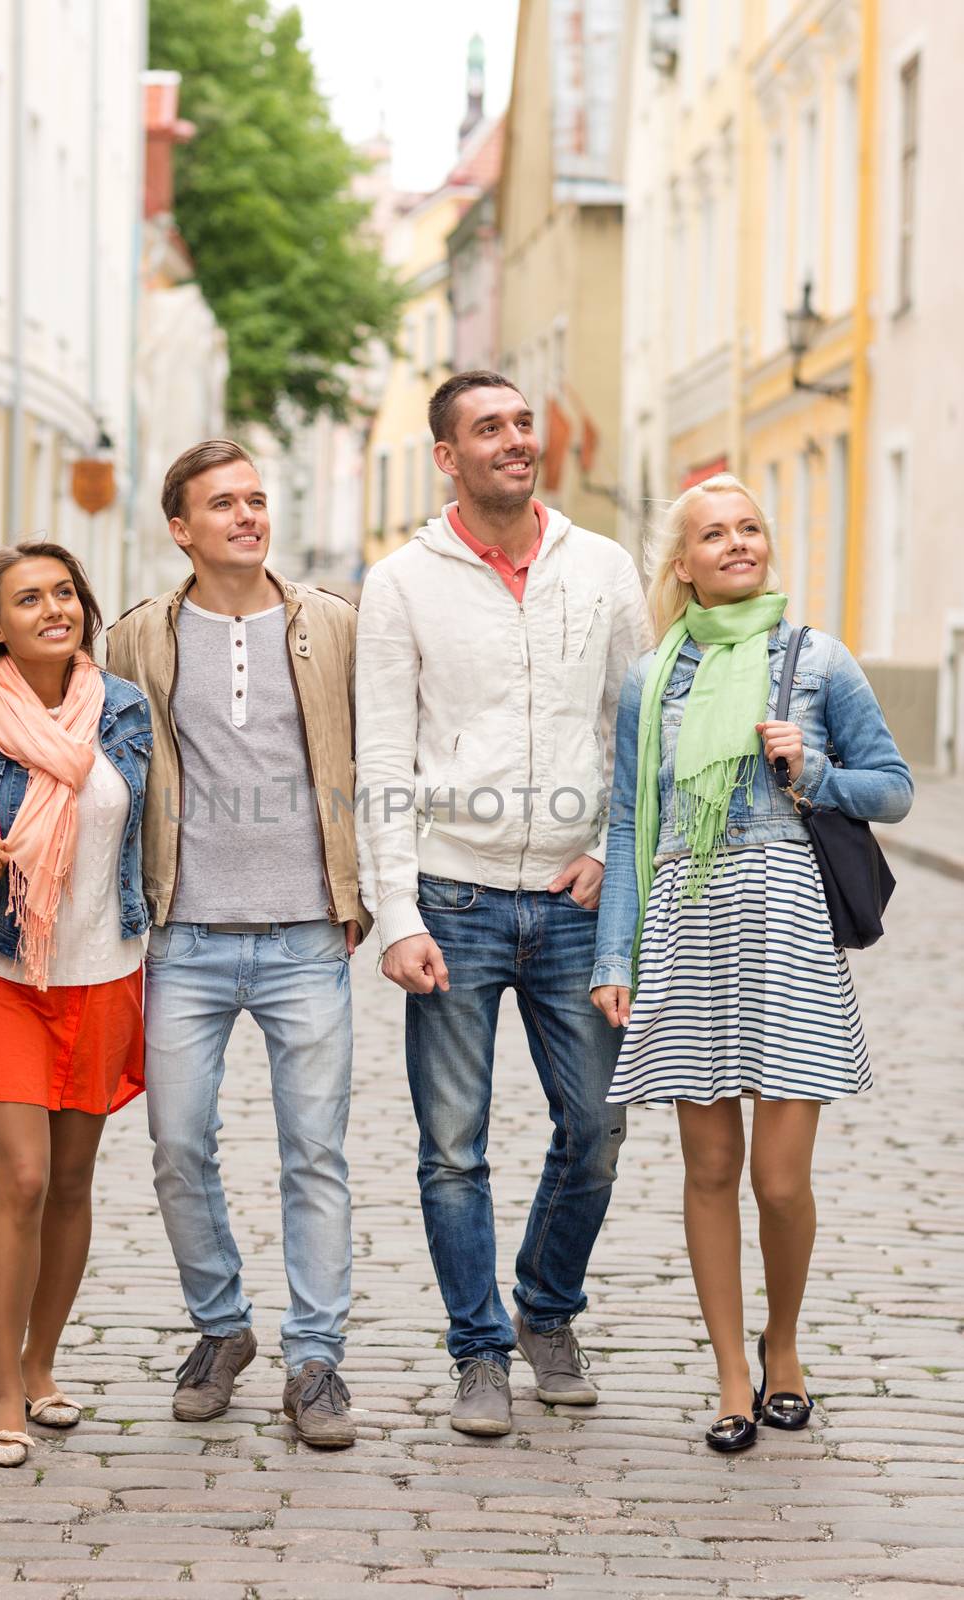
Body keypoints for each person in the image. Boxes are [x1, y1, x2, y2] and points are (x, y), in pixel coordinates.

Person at [590, 473, 913, 1453]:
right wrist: (616, 952)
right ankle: (733, 1374)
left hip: (783, 919)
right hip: (689, 921)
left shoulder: (819, 661)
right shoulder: (653, 679)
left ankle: (785, 1348)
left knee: (778, 1180)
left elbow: (891, 789)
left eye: (749, 528)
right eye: (713, 534)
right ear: (682, 564)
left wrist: (812, 774)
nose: (736, 543)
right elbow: (628, 819)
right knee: (708, 1167)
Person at [355, 370, 651, 1436]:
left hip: (573, 901)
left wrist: (615, 852)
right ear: (447, 455)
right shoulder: (402, 582)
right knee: (452, 1145)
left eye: (523, 422)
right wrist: (397, 913)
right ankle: (478, 1350)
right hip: (453, 895)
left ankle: (545, 1308)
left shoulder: (604, 567)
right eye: (490, 428)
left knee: (599, 1124)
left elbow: (637, 726)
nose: (516, 440)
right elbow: (383, 753)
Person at [107, 439, 369, 1449]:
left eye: (257, 498)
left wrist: (366, 893)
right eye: (223, 503)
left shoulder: (331, 625)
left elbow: (380, 753)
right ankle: (221, 1327)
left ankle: (317, 1360)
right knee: (178, 1145)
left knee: (315, 1153)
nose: (246, 515)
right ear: (181, 526)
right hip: (185, 935)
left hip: (308, 931)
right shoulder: (140, 635)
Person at [0, 541, 152, 1468]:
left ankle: (43, 1366)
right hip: (8, 978)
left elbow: (152, 834)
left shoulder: (125, 712)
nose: (52, 609)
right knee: (23, 1179)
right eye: (27, 599)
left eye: (63, 593)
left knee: (76, 1183)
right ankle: (3, 1392)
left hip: (106, 972)